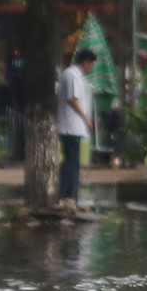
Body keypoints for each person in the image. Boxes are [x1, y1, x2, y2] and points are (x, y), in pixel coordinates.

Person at [56, 49, 96, 204]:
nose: (91, 67)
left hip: (74, 126)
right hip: (70, 126)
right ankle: (68, 196)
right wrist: (86, 117)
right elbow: (73, 99)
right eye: (91, 64)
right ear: (85, 62)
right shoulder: (72, 75)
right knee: (71, 163)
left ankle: (71, 196)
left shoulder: (74, 75)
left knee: (73, 162)